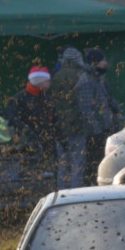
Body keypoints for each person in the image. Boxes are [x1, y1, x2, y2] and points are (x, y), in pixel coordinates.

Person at [51, 46, 98, 189]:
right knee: (77, 164)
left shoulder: (56, 76)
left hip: (60, 128)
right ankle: (75, 195)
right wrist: (94, 129)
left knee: (63, 165)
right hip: (77, 127)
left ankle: (62, 194)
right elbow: (85, 107)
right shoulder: (82, 77)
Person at [4, 65, 56, 173]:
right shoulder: (20, 99)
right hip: (28, 146)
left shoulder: (45, 97)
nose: (49, 83)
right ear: (40, 82)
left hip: (45, 144)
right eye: (47, 81)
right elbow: (13, 121)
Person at [83, 47, 121, 186]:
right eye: (102, 60)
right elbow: (87, 108)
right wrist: (96, 131)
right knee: (94, 163)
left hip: (103, 129)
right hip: (95, 132)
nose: (106, 63)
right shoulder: (88, 81)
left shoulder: (99, 80)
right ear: (95, 62)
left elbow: (107, 100)